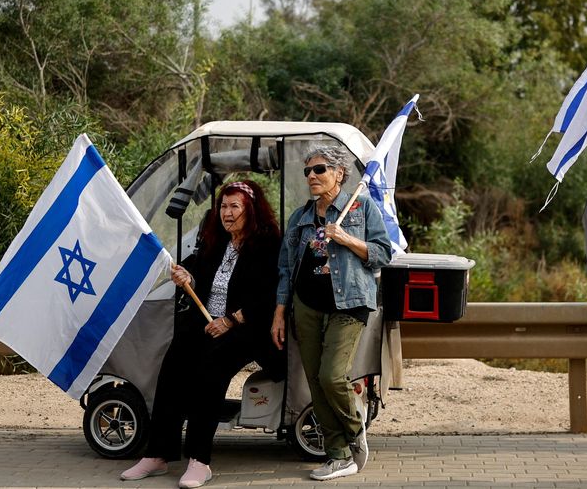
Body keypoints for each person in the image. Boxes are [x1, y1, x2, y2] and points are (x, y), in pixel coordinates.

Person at [120, 180, 282, 488]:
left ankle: (199, 460)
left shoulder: (267, 244)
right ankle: (158, 454)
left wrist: (231, 321)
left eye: (235, 206)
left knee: (210, 371)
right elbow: (197, 272)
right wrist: (187, 276)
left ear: (251, 210)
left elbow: (268, 296)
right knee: (173, 363)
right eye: (223, 206)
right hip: (207, 323)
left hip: (247, 327)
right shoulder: (215, 240)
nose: (227, 213)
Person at [272, 145, 391, 481]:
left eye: (320, 169)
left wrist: (346, 238)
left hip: (349, 304)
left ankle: (355, 430)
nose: (312, 176)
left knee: (331, 376)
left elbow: (383, 254)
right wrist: (280, 313)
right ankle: (338, 456)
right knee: (314, 382)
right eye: (308, 171)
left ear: (339, 174)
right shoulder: (300, 218)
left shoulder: (361, 208)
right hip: (306, 306)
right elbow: (285, 268)